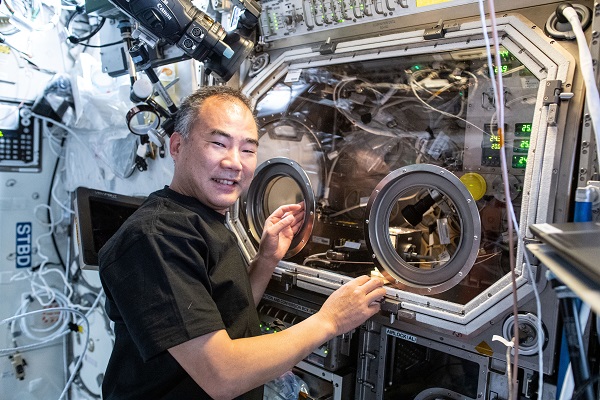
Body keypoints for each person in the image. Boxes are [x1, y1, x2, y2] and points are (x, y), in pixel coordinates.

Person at [98, 85, 386, 400]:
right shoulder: (155, 237)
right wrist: (330, 321)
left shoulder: (202, 219)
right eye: (219, 144)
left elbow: (222, 312)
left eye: (247, 150)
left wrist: (265, 260)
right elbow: (222, 374)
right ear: (177, 146)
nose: (235, 163)